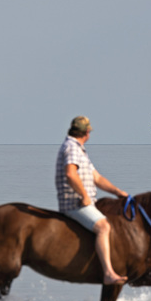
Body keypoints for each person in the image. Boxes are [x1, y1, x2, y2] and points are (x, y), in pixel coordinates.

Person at [55, 116, 129, 285]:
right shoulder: (72, 148)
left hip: (83, 202)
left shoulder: (79, 149)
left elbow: (97, 177)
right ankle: (109, 273)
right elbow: (70, 174)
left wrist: (117, 192)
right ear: (87, 132)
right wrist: (84, 196)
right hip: (75, 204)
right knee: (103, 227)